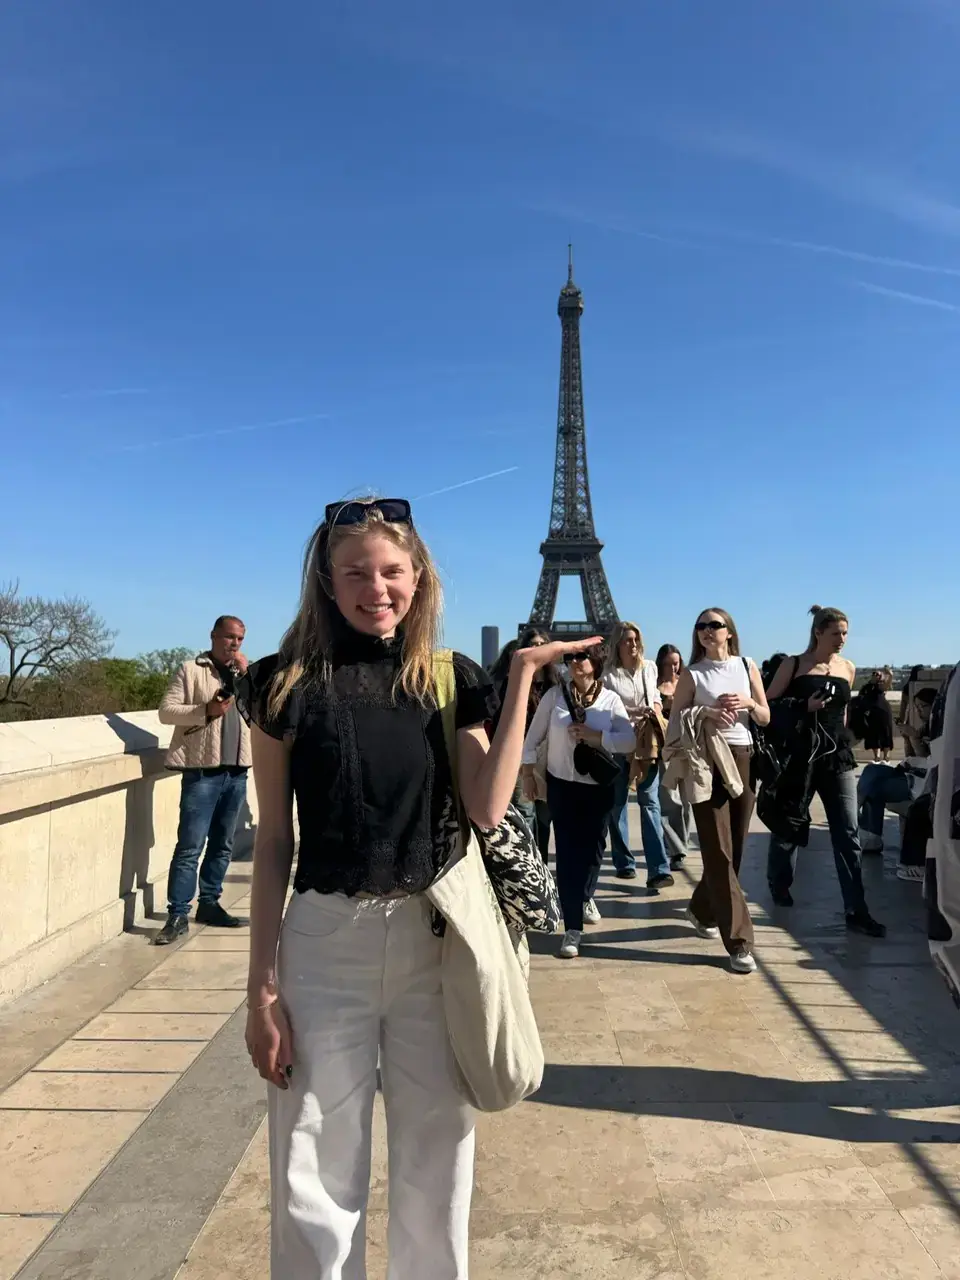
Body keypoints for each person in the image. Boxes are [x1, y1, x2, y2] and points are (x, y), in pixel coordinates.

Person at [243, 497, 582, 1278]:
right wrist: (261, 993)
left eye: (392, 571)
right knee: (310, 1167)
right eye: (355, 572)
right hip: (324, 942)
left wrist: (523, 680)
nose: (376, 588)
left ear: (418, 576)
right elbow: (272, 845)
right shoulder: (281, 685)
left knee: (440, 1158)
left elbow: (488, 808)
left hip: (435, 943)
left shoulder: (450, 678)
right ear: (326, 583)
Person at [765, 606, 885, 937]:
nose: (842, 639)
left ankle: (856, 907)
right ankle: (779, 882)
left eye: (845, 633)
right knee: (790, 824)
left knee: (848, 831)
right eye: (836, 633)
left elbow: (843, 714)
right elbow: (767, 707)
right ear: (818, 632)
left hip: (837, 757)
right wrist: (804, 707)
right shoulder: (794, 664)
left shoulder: (847, 668)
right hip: (801, 757)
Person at [666, 608, 770, 974]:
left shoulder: (746, 666)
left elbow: (765, 716)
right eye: (701, 626)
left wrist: (749, 703)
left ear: (729, 631)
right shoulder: (692, 674)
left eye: (715, 625)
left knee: (735, 851)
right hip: (706, 761)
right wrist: (706, 712)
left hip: (741, 758)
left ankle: (701, 908)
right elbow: (675, 721)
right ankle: (740, 943)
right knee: (716, 849)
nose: (707, 631)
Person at [522, 641, 635, 958]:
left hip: (598, 788)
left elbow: (628, 740)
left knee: (595, 849)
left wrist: (596, 737)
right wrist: (529, 774)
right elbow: (533, 737)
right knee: (569, 854)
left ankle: (584, 896)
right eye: (569, 657)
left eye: (581, 656)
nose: (574, 661)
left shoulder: (610, 700)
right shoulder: (555, 696)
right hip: (562, 786)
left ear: (596, 661)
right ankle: (572, 927)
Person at [155, 615, 251, 945]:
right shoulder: (190, 670)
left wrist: (250, 676)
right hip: (201, 772)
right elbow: (166, 711)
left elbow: (265, 710)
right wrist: (206, 710)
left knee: (223, 844)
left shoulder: (243, 674)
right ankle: (177, 913)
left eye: (239, 639)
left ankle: (209, 904)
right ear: (213, 636)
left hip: (237, 771)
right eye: (228, 637)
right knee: (190, 846)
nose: (234, 644)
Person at [602, 622, 672, 890]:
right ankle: (624, 862)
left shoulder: (650, 668)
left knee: (650, 803)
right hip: (619, 746)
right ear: (617, 644)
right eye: (627, 640)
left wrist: (653, 710)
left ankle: (658, 868)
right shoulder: (608, 675)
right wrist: (631, 713)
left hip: (645, 746)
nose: (632, 645)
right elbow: (606, 709)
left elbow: (655, 697)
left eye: (635, 639)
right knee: (617, 805)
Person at [493, 626, 554, 858]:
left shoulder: (555, 685)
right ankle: (530, 862)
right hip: (519, 756)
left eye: (542, 644)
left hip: (547, 758)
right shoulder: (513, 682)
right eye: (534, 644)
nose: (538, 649)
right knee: (526, 811)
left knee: (544, 816)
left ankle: (542, 863)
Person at [656, 643, 693, 869]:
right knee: (669, 801)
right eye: (668, 663)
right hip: (663, 750)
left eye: (676, 663)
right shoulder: (654, 688)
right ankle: (676, 849)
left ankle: (681, 845)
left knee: (687, 802)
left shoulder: (686, 686)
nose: (672, 668)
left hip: (687, 748)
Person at [860, 668, 895, 763]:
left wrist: (889, 675)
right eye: (875, 674)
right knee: (874, 734)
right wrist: (872, 681)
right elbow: (862, 694)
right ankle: (877, 757)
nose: (877, 676)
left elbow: (887, 683)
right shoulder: (868, 687)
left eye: (878, 675)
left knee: (886, 733)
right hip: (872, 712)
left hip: (884, 711)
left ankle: (886, 757)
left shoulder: (882, 685)